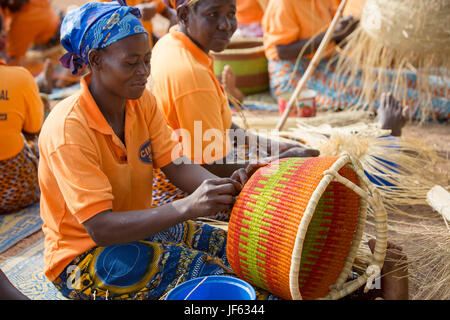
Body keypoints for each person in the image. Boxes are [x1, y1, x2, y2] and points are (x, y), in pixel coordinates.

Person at [38, 0, 278, 300]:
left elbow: (176, 164)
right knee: (210, 277)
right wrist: (187, 207)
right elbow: (100, 228)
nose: (143, 72)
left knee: (237, 249)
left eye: (146, 61)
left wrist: (220, 188)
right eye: (130, 63)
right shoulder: (69, 129)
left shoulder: (140, 103)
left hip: (135, 225)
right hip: (83, 256)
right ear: (97, 61)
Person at [150, 0, 320, 214]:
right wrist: (277, 162)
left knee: (296, 148)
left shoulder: (171, 41)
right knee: (298, 194)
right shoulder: (191, 75)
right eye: (213, 15)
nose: (226, 25)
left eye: (231, 13)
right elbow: (210, 167)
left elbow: (223, 127)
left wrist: (272, 147)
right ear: (184, 15)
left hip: (195, 165)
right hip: (184, 192)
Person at [261, 0, 359, 109]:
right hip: (295, 74)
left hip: (328, 64)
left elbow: (337, 39)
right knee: (357, 92)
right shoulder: (283, 3)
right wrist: (332, 33)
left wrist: (347, 30)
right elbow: (282, 51)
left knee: (377, 79)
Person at [0, 10, 44, 214]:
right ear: (3, 41)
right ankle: (43, 84)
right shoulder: (19, 77)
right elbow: (33, 129)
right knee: (42, 142)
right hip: (16, 191)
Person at [99, 0, 177, 49]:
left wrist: (166, 42)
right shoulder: (99, 5)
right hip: (122, 62)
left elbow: (171, 13)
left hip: (145, 57)